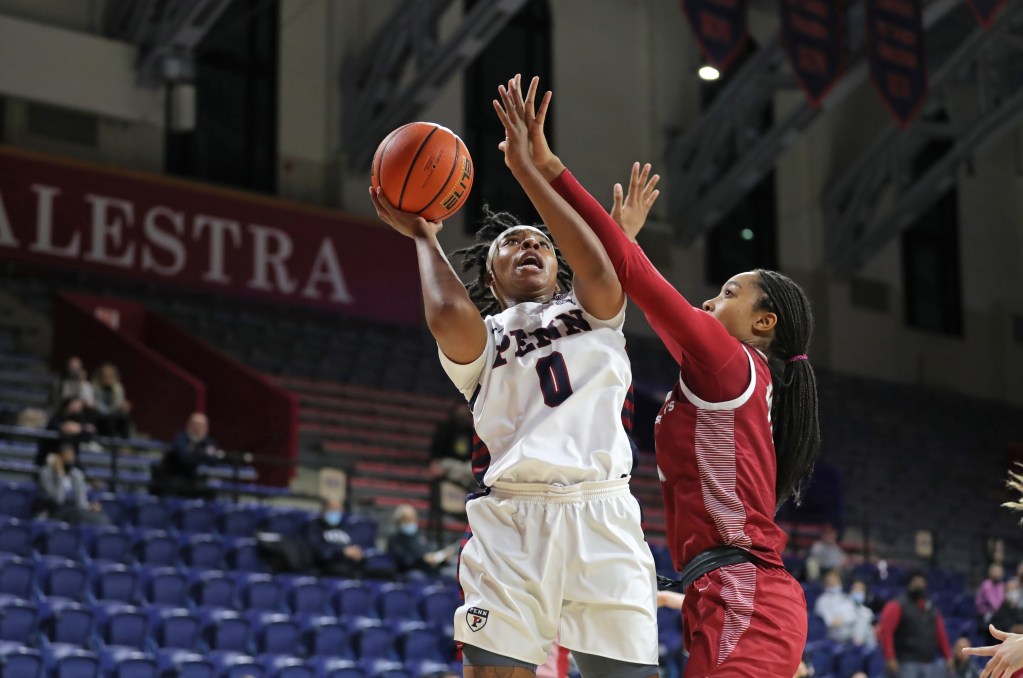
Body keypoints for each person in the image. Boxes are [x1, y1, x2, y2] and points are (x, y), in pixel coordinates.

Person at [514, 73, 815, 676]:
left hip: (745, 596)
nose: (709, 301)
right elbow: (616, 288)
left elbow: (636, 276)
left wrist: (548, 169)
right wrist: (619, 247)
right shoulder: (724, 379)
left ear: (763, 323)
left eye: (728, 293)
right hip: (721, 590)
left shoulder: (728, 360)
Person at [369, 75, 659, 678]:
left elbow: (599, 263)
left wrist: (528, 170)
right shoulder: (485, 339)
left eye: (540, 243)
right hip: (511, 522)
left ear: (558, 267)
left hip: (602, 512)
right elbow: (448, 312)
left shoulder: (597, 313)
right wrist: (423, 234)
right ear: (492, 277)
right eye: (510, 243)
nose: (528, 243)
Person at [876, 571, 953, 677]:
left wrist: (948, 656)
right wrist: (890, 657)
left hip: (928, 662)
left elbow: (940, 633)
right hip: (905, 662)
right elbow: (886, 632)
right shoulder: (897, 605)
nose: (919, 585)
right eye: (916, 582)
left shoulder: (931, 608)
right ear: (909, 584)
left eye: (922, 582)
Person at [37, 442, 109, 525]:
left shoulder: (76, 474)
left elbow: (81, 502)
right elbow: (58, 500)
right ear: (58, 457)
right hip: (54, 511)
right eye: (67, 455)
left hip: (75, 511)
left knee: (100, 516)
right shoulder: (46, 473)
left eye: (72, 456)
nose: (70, 459)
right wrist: (59, 474)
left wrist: (89, 507)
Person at [151, 412, 221, 498]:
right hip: (173, 479)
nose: (198, 428)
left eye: (202, 425)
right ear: (189, 425)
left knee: (210, 490)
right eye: (196, 425)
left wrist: (194, 453)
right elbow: (185, 459)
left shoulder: (208, 442)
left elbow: (214, 460)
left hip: (195, 481)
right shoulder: (180, 438)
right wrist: (203, 453)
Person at [386, 504, 455, 578]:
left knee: (451, 575)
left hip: (428, 570)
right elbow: (405, 560)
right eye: (407, 519)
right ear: (399, 521)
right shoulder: (395, 540)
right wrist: (423, 559)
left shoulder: (419, 536)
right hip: (408, 572)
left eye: (413, 518)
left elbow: (430, 554)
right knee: (417, 576)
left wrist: (443, 559)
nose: (411, 522)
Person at [814, 570, 877, 648]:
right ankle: (863, 649)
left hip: (849, 627)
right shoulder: (822, 600)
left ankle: (865, 650)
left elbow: (852, 614)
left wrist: (845, 618)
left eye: (836, 581)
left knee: (867, 626)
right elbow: (830, 622)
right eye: (831, 581)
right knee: (864, 622)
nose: (834, 583)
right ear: (826, 584)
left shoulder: (844, 597)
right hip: (835, 632)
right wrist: (845, 619)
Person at [35, 396, 95, 467]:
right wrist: (69, 428)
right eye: (76, 404)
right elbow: (57, 427)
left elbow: (88, 432)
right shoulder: (57, 416)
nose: (79, 406)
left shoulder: (78, 418)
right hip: (51, 452)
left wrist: (80, 428)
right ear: (69, 404)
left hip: (71, 458)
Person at [429, 403, 476, 490]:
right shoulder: (445, 428)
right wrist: (434, 462)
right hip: (449, 462)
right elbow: (437, 448)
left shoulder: (471, 431)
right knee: (451, 469)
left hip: (466, 465)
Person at [91, 363, 132, 439]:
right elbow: (95, 403)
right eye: (105, 375)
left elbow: (118, 403)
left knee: (124, 416)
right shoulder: (95, 387)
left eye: (109, 376)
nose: (107, 378)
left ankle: (125, 442)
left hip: (114, 414)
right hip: (100, 414)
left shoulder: (118, 388)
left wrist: (123, 407)